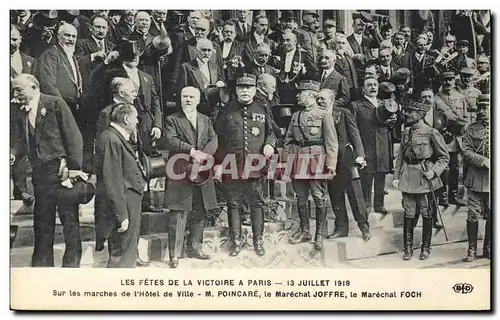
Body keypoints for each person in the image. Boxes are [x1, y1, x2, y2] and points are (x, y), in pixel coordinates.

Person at [10, 74, 84, 267]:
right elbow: (19, 140)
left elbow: (73, 136)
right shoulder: (19, 110)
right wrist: (12, 153)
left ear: (34, 87)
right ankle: (42, 267)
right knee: (42, 223)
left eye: (19, 89)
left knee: (69, 222)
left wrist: (73, 168)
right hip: (40, 175)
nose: (14, 94)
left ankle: (71, 267)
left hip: (61, 171)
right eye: (13, 89)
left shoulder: (54, 104)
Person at [214, 74, 276, 257]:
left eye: (248, 88)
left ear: (255, 90)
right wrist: (217, 164)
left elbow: (272, 132)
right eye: (241, 88)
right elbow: (218, 139)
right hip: (232, 164)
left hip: (256, 164)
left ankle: (258, 241)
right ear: (236, 90)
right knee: (233, 203)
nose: (245, 91)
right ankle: (236, 241)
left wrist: (269, 144)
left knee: (257, 203)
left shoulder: (262, 108)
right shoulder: (226, 110)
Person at [163, 87, 219, 268]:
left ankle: (195, 247)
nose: (188, 99)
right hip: (181, 169)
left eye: (191, 97)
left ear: (198, 100)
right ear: (180, 99)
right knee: (179, 212)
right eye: (184, 96)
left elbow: (213, 139)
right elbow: (170, 140)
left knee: (200, 209)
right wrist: (192, 151)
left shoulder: (206, 119)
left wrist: (204, 155)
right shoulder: (172, 119)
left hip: (202, 170)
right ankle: (175, 254)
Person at [284, 80, 338, 250]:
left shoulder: (323, 115)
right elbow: (288, 140)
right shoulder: (296, 116)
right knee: (300, 198)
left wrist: (331, 163)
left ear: (310, 95)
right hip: (298, 160)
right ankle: (305, 230)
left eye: (301, 93)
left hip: (317, 159)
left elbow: (331, 142)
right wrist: (288, 159)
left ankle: (319, 235)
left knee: (318, 197)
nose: (298, 96)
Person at [392, 102, 449, 261]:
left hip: (425, 177)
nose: (407, 114)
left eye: (411, 112)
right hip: (408, 177)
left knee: (426, 212)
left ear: (421, 114)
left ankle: (426, 247)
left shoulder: (431, 132)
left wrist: (434, 172)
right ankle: (408, 248)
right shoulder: (406, 132)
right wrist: (396, 176)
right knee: (409, 212)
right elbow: (400, 158)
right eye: (407, 111)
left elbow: (445, 158)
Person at [94, 103, 147, 268]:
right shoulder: (110, 138)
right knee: (122, 254)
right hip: (124, 204)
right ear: (126, 119)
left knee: (127, 252)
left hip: (129, 201)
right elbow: (112, 180)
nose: (137, 122)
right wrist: (122, 215)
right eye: (135, 118)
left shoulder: (116, 137)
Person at [317, 89, 370, 241]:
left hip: (347, 158)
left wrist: (360, 155)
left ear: (332, 99)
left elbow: (355, 134)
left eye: (323, 99)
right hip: (328, 161)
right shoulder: (317, 115)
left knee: (355, 194)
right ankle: (341, 228)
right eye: (318, 99)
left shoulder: (344, 113)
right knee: (335, 195)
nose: (319, 101)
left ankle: (364, 227)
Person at [348, 77, 395, 214]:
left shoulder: (385, 103)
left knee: (381, 175)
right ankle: (366, 205)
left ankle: (379, 204)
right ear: (363, 89)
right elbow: (353, 127)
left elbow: (392, 125)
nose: (373, 87)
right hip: (366, 144)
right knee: (366, 176)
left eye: (375, 85)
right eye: (369, 85)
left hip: (382, 144)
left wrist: (393, 121)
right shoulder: (356, 105)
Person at [462, 94, 490, 262]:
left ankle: (488, 248)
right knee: (472, 215)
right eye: (480, 107)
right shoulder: (472, 129)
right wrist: (483, 160)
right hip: (475, 179)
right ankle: (471, 250)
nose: (482, 111)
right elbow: (465, 151)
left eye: (485, 107)